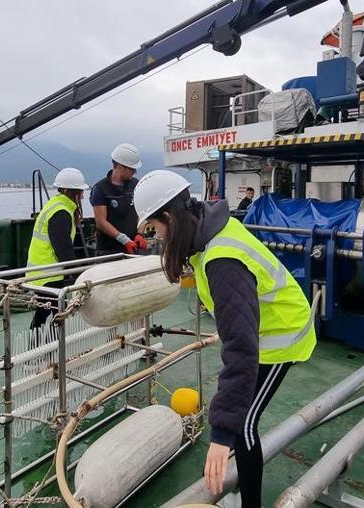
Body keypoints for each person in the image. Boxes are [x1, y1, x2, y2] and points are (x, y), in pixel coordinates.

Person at [133, 170, 316, 507]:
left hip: (282, 335)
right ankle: (234, 468)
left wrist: (220, 435)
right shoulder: (208, 230)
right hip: (262, 328)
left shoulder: (222, 260)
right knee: (237, 420)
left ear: (169, 218)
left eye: (154, 228)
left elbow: (242, 352)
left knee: (243, 423)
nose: (156, 237)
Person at [26, 167, 89, 332]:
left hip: (43, 272)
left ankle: (42, 350)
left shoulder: (56, 205)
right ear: (70, 191)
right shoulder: (61, 212)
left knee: (47, 314)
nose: (82, 195)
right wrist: (81, 276)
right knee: (48, 315)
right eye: (79, 191)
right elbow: (64, 251)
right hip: (49, 274)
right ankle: (40, 351)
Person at [89, 143, 148, 255]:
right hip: (108, 250)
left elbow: (143, 211)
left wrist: (140, 234)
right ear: (120, 167)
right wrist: (123, 239)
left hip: (132, 247)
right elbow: (101, 221)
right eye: (132, 169)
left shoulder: (135, 184)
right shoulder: (101, 189)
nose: (135, 172)